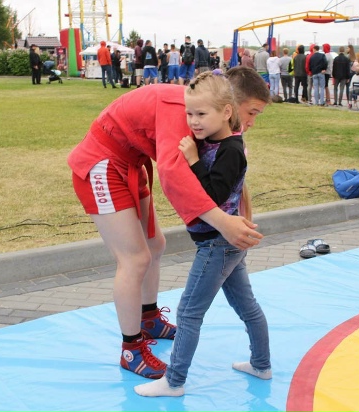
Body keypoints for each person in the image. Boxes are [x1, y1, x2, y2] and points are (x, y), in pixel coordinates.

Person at [67, 66, 268, 380]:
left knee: (155, 245)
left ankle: (148, 319)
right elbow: (174, 176)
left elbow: (228, 177)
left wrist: (239, 215)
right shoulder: (190, 112)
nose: (253, 121)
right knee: (134, 259)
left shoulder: (211, 116)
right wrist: (222, 222)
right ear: (229, 105)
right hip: (102, 163)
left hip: (130, 161)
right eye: (252, 112)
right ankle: (131, 349)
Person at [134, 69, 271, 397]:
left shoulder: (231, 149)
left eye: (201, 114)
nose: (193, 122)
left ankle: (174, 381)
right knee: (247, 306)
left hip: (217, 244)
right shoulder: (214, 140)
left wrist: (194, 160)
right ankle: (261, 364)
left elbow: (214, 195)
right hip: (223, 245)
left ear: (226, 111)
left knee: (189, 312)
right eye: (189, 114)